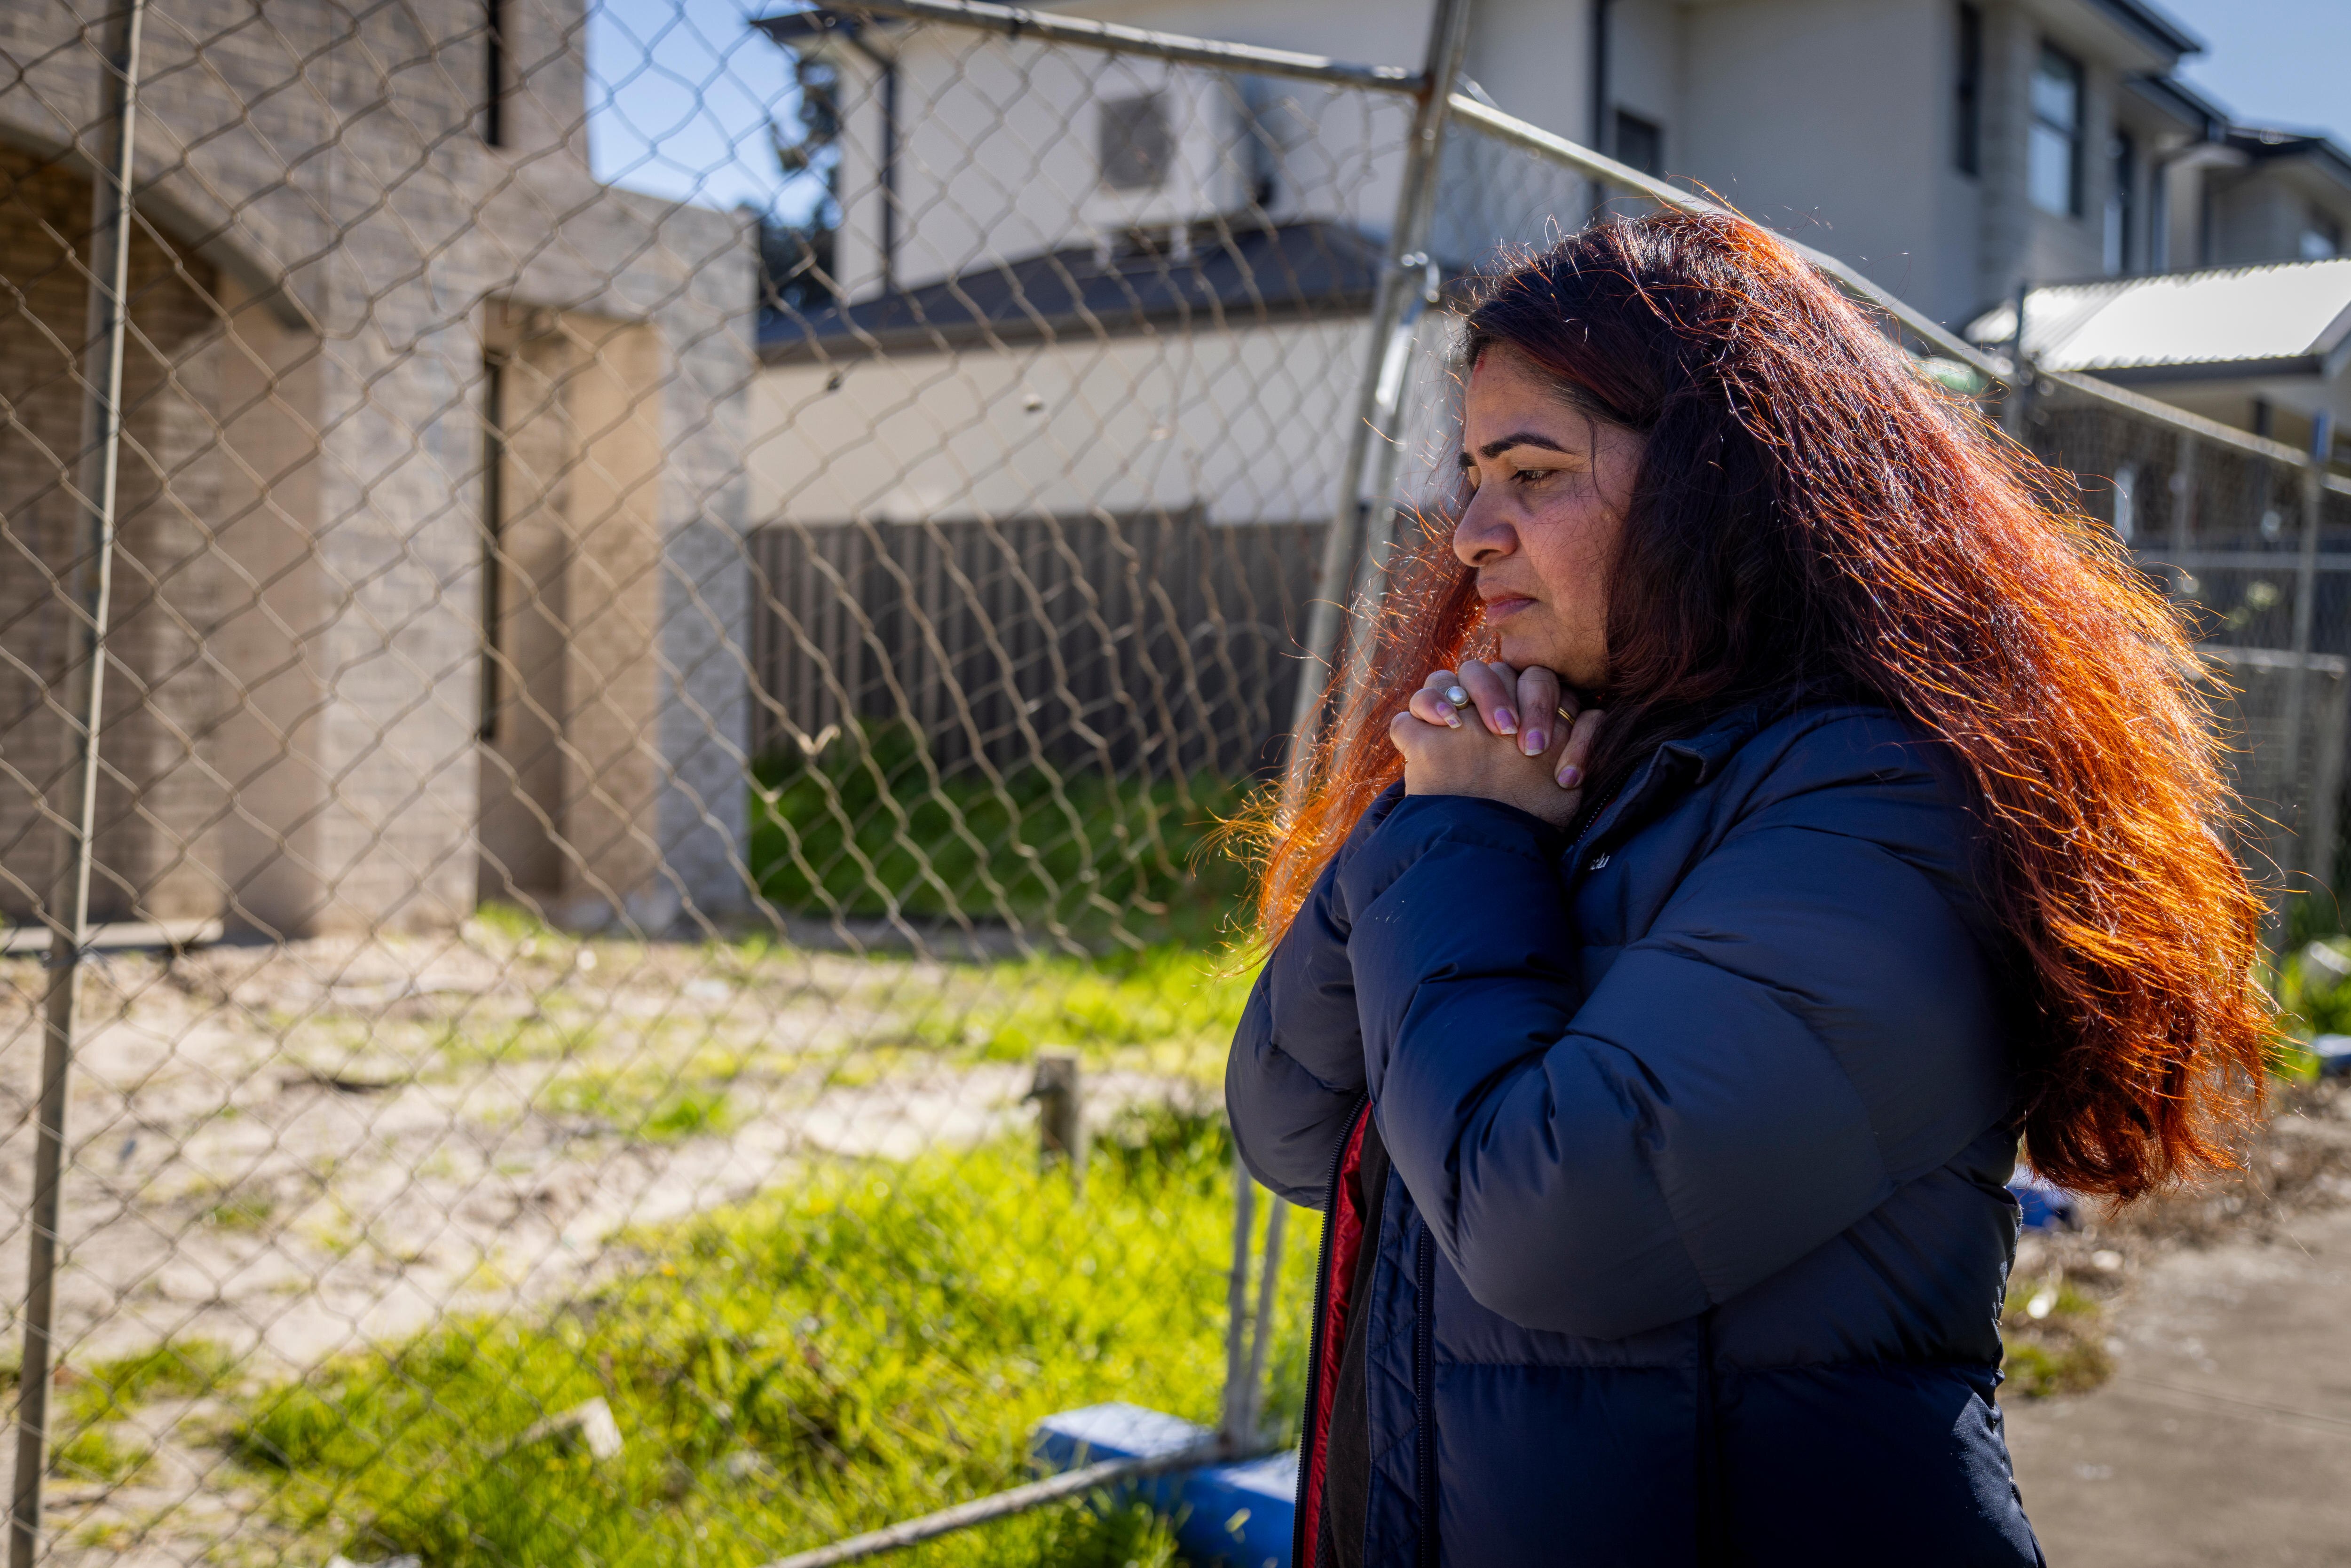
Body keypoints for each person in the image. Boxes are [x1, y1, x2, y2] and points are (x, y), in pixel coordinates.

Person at [1225, 212, 2269, 1567]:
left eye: (1532, 472)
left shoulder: (1883, 809)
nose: (1472, 531)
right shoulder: (1547, 770)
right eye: (1473, 473)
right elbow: (1296, 1130)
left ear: (1727, 484)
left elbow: (1553, 1224)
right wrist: (1422, 830)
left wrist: (1462, 844)